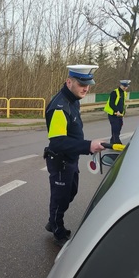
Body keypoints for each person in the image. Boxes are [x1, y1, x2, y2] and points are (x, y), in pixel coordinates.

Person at [44, 65, 105, 247]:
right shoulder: (59, 108)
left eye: (88, 85)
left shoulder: (73, 100)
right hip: (60, 161)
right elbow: (57, 142)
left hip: (70, 159)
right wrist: (88, 146)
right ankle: (57, 230)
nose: (86, 88)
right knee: (60, 197)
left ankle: (54, 219)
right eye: (81, 84)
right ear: (69, 82)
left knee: (71, 191)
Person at [104, 80, 131, 144]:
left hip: (120, 115)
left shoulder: (124, 93)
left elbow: (122, 103)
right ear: (120, 85)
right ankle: (117, 142)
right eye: (124, 86)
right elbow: (111, 103)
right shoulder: (114, 92)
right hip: (113, 114)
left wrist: (123, 112)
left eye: (126, 86)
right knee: (115, 128)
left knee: (118, 128)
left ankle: (112, 141)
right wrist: (117, 111)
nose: (125, 88)